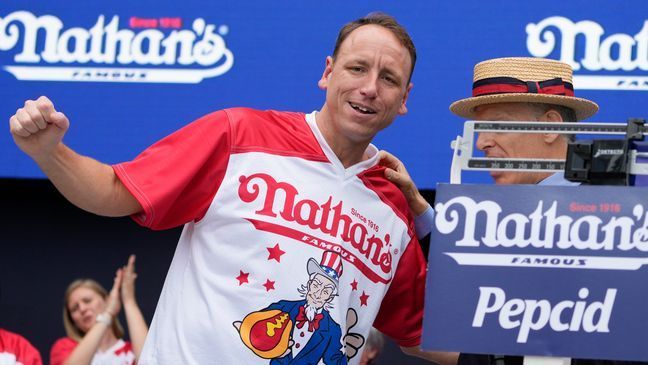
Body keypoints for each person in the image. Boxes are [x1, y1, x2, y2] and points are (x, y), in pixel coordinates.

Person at [10, 12, 454, 365]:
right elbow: (111, 191)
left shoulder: (394, 205)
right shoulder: (238, 134)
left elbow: (426, 336)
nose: (370, 88)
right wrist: (50, 152)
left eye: (389, 79)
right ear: (328, 72)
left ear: (405, 98)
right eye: (358, 68)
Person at [381, 57, 645, 365]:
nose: (481, 143)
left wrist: (469, 357)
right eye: (477, 130)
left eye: (495, 126)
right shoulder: (497, 225)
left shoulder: (623, 223)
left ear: (550, 127)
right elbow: (470, 287)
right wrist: (420, 208)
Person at [50, 255, 148, 365]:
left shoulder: (130, 351)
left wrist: (129, 301)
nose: (82, 309)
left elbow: (151, 361)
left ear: (107, 301)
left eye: (87, 301)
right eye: (74, 309)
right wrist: (108, 313)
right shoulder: (65, 347)